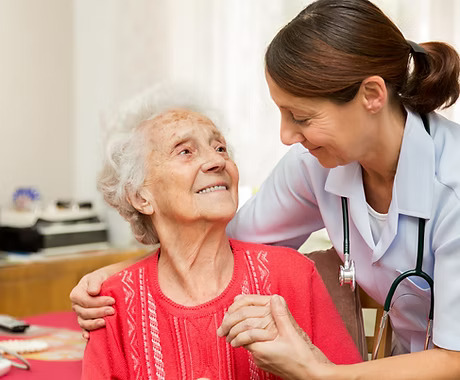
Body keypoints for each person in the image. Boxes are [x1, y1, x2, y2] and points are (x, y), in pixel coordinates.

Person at [71, 0, 460, 377]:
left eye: (301, 116)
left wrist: (317, 375)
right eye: (282, 112)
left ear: (372, 95)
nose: (286, 135)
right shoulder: (314, 166)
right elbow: (217, 243)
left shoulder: (452, 183)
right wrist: (126, 277)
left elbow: (454, 358)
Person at [79, 92, 362, 379]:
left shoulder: (293, 275)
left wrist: (299, 352)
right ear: (140, 196)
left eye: (220, 148)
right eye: (185, 151)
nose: (217, 161)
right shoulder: (110, 303)